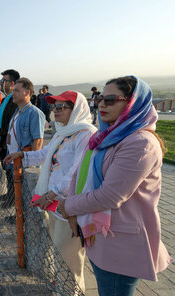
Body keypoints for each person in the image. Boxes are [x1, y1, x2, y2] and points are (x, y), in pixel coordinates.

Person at [58, 76, 172, 296]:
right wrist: (71, 212)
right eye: (100, 99)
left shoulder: (140, 143)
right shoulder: (105, 136)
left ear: (132, 103)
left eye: (110, 100)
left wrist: (68, 206)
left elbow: (110, 196)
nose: (101, 104)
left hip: (122, 244)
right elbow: (80, 174)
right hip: (100, 236)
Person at [4, 91, 97, 292]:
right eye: (54, 107)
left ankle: (70, 291)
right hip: (56, 203)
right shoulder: (63, 132)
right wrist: (22, 155)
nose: (55, 111)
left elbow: (76, 171)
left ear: (76, 110)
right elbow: (47, 154)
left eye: (62, 107)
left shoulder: (85, 134)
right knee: (59, 251)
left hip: (70, 205)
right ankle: (62, 288)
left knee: (69, 257)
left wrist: (51, 194)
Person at [1, 78, 45, 208]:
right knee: (19, 193)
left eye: (16, 90)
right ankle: (19, 217)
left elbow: (38, 141)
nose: (13, 93)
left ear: (27, 92)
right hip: (16, 161)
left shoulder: (35, 113)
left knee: (27, 195)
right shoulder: (17, 112)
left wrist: (31, 163)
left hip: (25, 163)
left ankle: (25, 221)